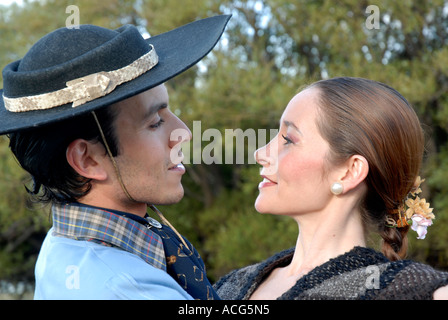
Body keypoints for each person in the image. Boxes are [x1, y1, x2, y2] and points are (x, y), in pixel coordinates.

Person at [0, 15, 230, 300]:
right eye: (155, 122)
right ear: (88, 160)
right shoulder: (131, 290)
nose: (183, 132)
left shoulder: (62, 243)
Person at [213, 77, 448, 300]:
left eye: (288, 140)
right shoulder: (227, 287)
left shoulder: (414, 290)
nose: (261, 153)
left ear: (349, 172)